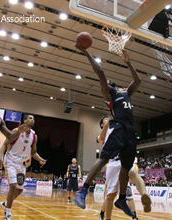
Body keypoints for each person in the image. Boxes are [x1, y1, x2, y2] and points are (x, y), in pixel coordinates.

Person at [73, 44, 147, 217]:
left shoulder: (127, 92)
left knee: (126, 167)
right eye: (106, 83)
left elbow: (138, 81)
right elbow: (100, 72)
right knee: (104, 158)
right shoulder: (110, 95)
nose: (108, 82)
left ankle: (121, 199)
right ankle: (83, 190)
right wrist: (86, 52)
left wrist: (129, 63)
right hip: (119, 127)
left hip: (130, 131)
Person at [98, 116, 150, 220]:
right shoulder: (102, 136)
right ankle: (105, 216)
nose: (108, 120)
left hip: (124, 160)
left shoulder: (119, 130)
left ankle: (144, 195)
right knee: (110, 196)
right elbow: (101, 138)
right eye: (105, 121)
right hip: (113, 164)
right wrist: (107, 123)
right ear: (102, 125)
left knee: (133, 175)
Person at [0, 114, 46, 220]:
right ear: (24, 120)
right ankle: (8, 213)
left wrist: (40, 159)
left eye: (33, 119)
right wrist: (0, 158)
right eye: (30, 118)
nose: (32, 120)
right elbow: (5, 144)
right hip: (10, 161)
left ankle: (6, 204)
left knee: (19, 189)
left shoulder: (34, 136)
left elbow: (34, 153)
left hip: (21, 164)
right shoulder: (17, 130)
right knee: (13, 186)